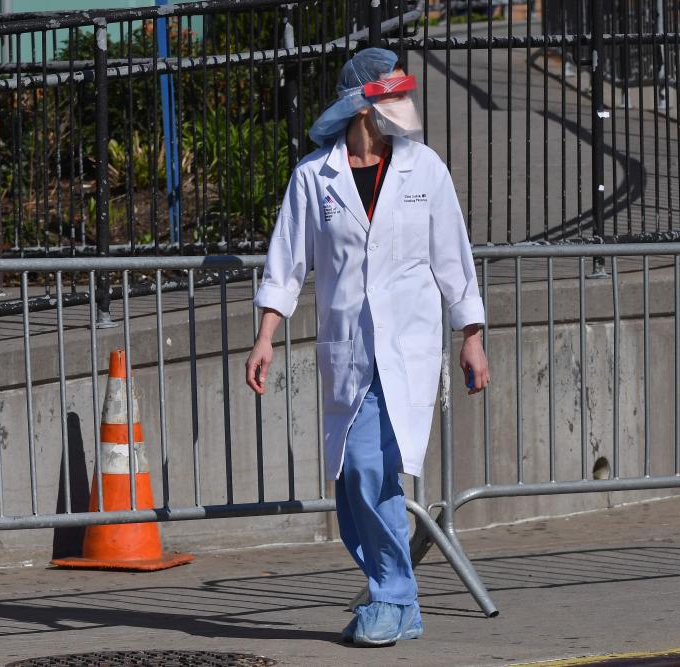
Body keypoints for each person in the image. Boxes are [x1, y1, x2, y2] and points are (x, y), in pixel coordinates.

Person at [245, 47, 489, 647]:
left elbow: (452, 257)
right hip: (349, 347)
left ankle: (394, 597)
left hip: (406, 345)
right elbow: (287, 263)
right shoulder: (314, 177)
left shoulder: (424, 169)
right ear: (361, 106)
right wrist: (265, 338)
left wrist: (472, 336)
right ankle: (395, 594)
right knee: (356, 480)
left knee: (374, 469)